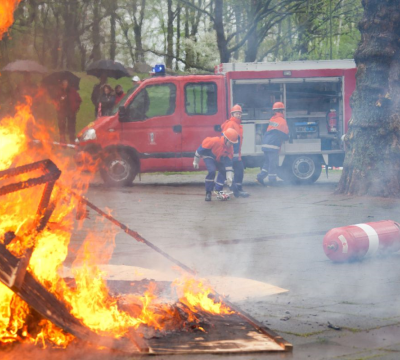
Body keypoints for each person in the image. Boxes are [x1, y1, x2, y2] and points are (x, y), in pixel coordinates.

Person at [193, 128, 239, 201]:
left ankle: (219, 190)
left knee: (223, 171)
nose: (231, 145)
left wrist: (229, 177)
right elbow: (200, 150)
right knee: (212, 171)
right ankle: (208, 192)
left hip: (218, 158)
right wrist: (196, 161)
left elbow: (228, 165)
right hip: (208, 155)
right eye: (230, 143)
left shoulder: (230, 149)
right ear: (226, 139)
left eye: (233, 143)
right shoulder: (214, 141)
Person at [256, 102, 289, 185]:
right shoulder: (282, 121)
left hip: (266, 144)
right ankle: (272, 181)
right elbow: (285, 135)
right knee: (272, 163)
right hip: (273, 145)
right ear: (281, 111)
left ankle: (260, 177)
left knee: (267, 162)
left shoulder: (272, 119)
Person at [221, 104, 250, 198]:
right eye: (237, 113)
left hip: (236, 154)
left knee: (239, 171)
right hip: (230, 153)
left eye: (239, 113)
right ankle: (235, 190)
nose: (238, 115)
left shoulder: (237, 124)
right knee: (231, 171)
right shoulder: (231, 124)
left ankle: (238, 188)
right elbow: (225, 138)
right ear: (232, 114)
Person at [55, 79, 82, 144]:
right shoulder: (59, 91)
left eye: (66, 84)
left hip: (71, 111)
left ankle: (72, 140)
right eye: (63, 84)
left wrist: (76, 107)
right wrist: (59, 102)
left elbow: (79, 100)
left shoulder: (72, 91)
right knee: (61, 125)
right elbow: (55, 100)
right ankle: (62, 139)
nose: (65, 85)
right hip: (62, 111)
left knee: (71, 126)